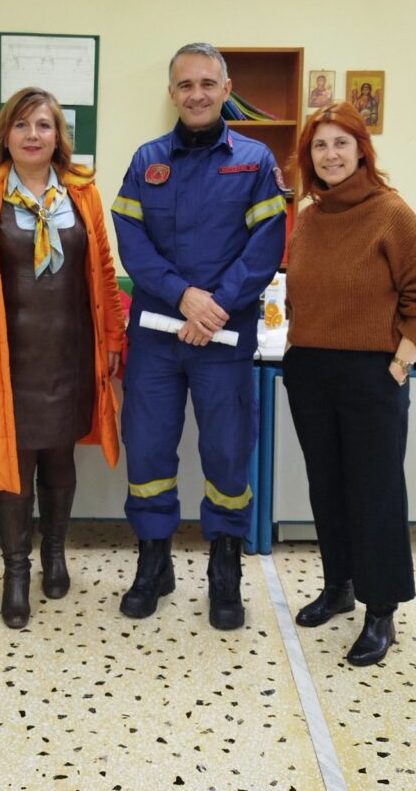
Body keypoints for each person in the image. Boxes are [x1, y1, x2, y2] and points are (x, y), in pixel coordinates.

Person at [111, 42, 287, 630]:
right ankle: (154, 562)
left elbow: (266, 246)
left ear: (226, 88)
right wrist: (184, 296)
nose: (197, 94)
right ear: (172, 93)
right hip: (158, 336)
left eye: (208, 83)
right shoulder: (147, 160)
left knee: (228, 452)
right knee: (148, 448)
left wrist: (214, 307)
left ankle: (224, 569)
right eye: (185, 85)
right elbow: (132, 242)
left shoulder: (255, 160)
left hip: (225, 338)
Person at [0, 86, 124, 630]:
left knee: (61, 457)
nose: (32, 135)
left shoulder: (83, 195)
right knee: (13, 466)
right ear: (6, 135)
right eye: (21, 125)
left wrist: (113, 340)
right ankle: (16, 572)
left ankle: (55, 553)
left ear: (57, 136)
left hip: (71, 354)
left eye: (43, 125)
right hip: (9, 358)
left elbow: (105, 273)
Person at [283, 101, 416, 666]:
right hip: (310, 370)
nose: (330, 154)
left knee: (374, 492)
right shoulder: (310, 217)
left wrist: (401, 361)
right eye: (319, 145)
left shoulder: (389, 212)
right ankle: (339, 587)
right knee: (326, 486)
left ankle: (381, 610)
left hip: (371, 374)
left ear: (361, 151)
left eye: (341, 143)